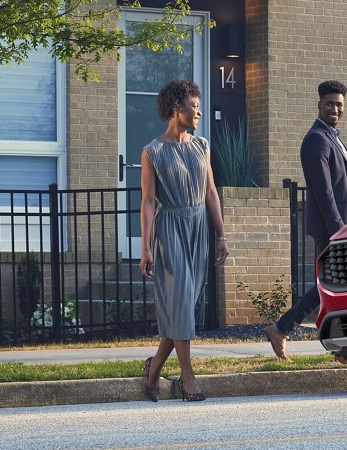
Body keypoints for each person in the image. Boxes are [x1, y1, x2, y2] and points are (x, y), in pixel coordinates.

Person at [140, 80, 230, 402]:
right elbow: (149, 202)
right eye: (194, 105)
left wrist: (221, 235)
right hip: (170, 231)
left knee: (185, 307)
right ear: (177, 107)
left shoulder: (201, 146)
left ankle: (153, 369)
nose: (199, 112)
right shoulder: (152, 151)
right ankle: (187, 376)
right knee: (179, 301)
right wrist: (146, 246)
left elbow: (210, 193)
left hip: (198, 228)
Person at [264, 80, 347, 359]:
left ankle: (289, 331)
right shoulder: (316, 139)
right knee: (331, 285)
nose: (335, 108)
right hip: (332, 228)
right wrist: (339, 231)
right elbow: (324, 192)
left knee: (336, 286)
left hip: (344, 225)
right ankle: (331, 344)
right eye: (330, 103)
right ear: (319, 105)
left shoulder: (333, 137)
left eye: (339, 104)